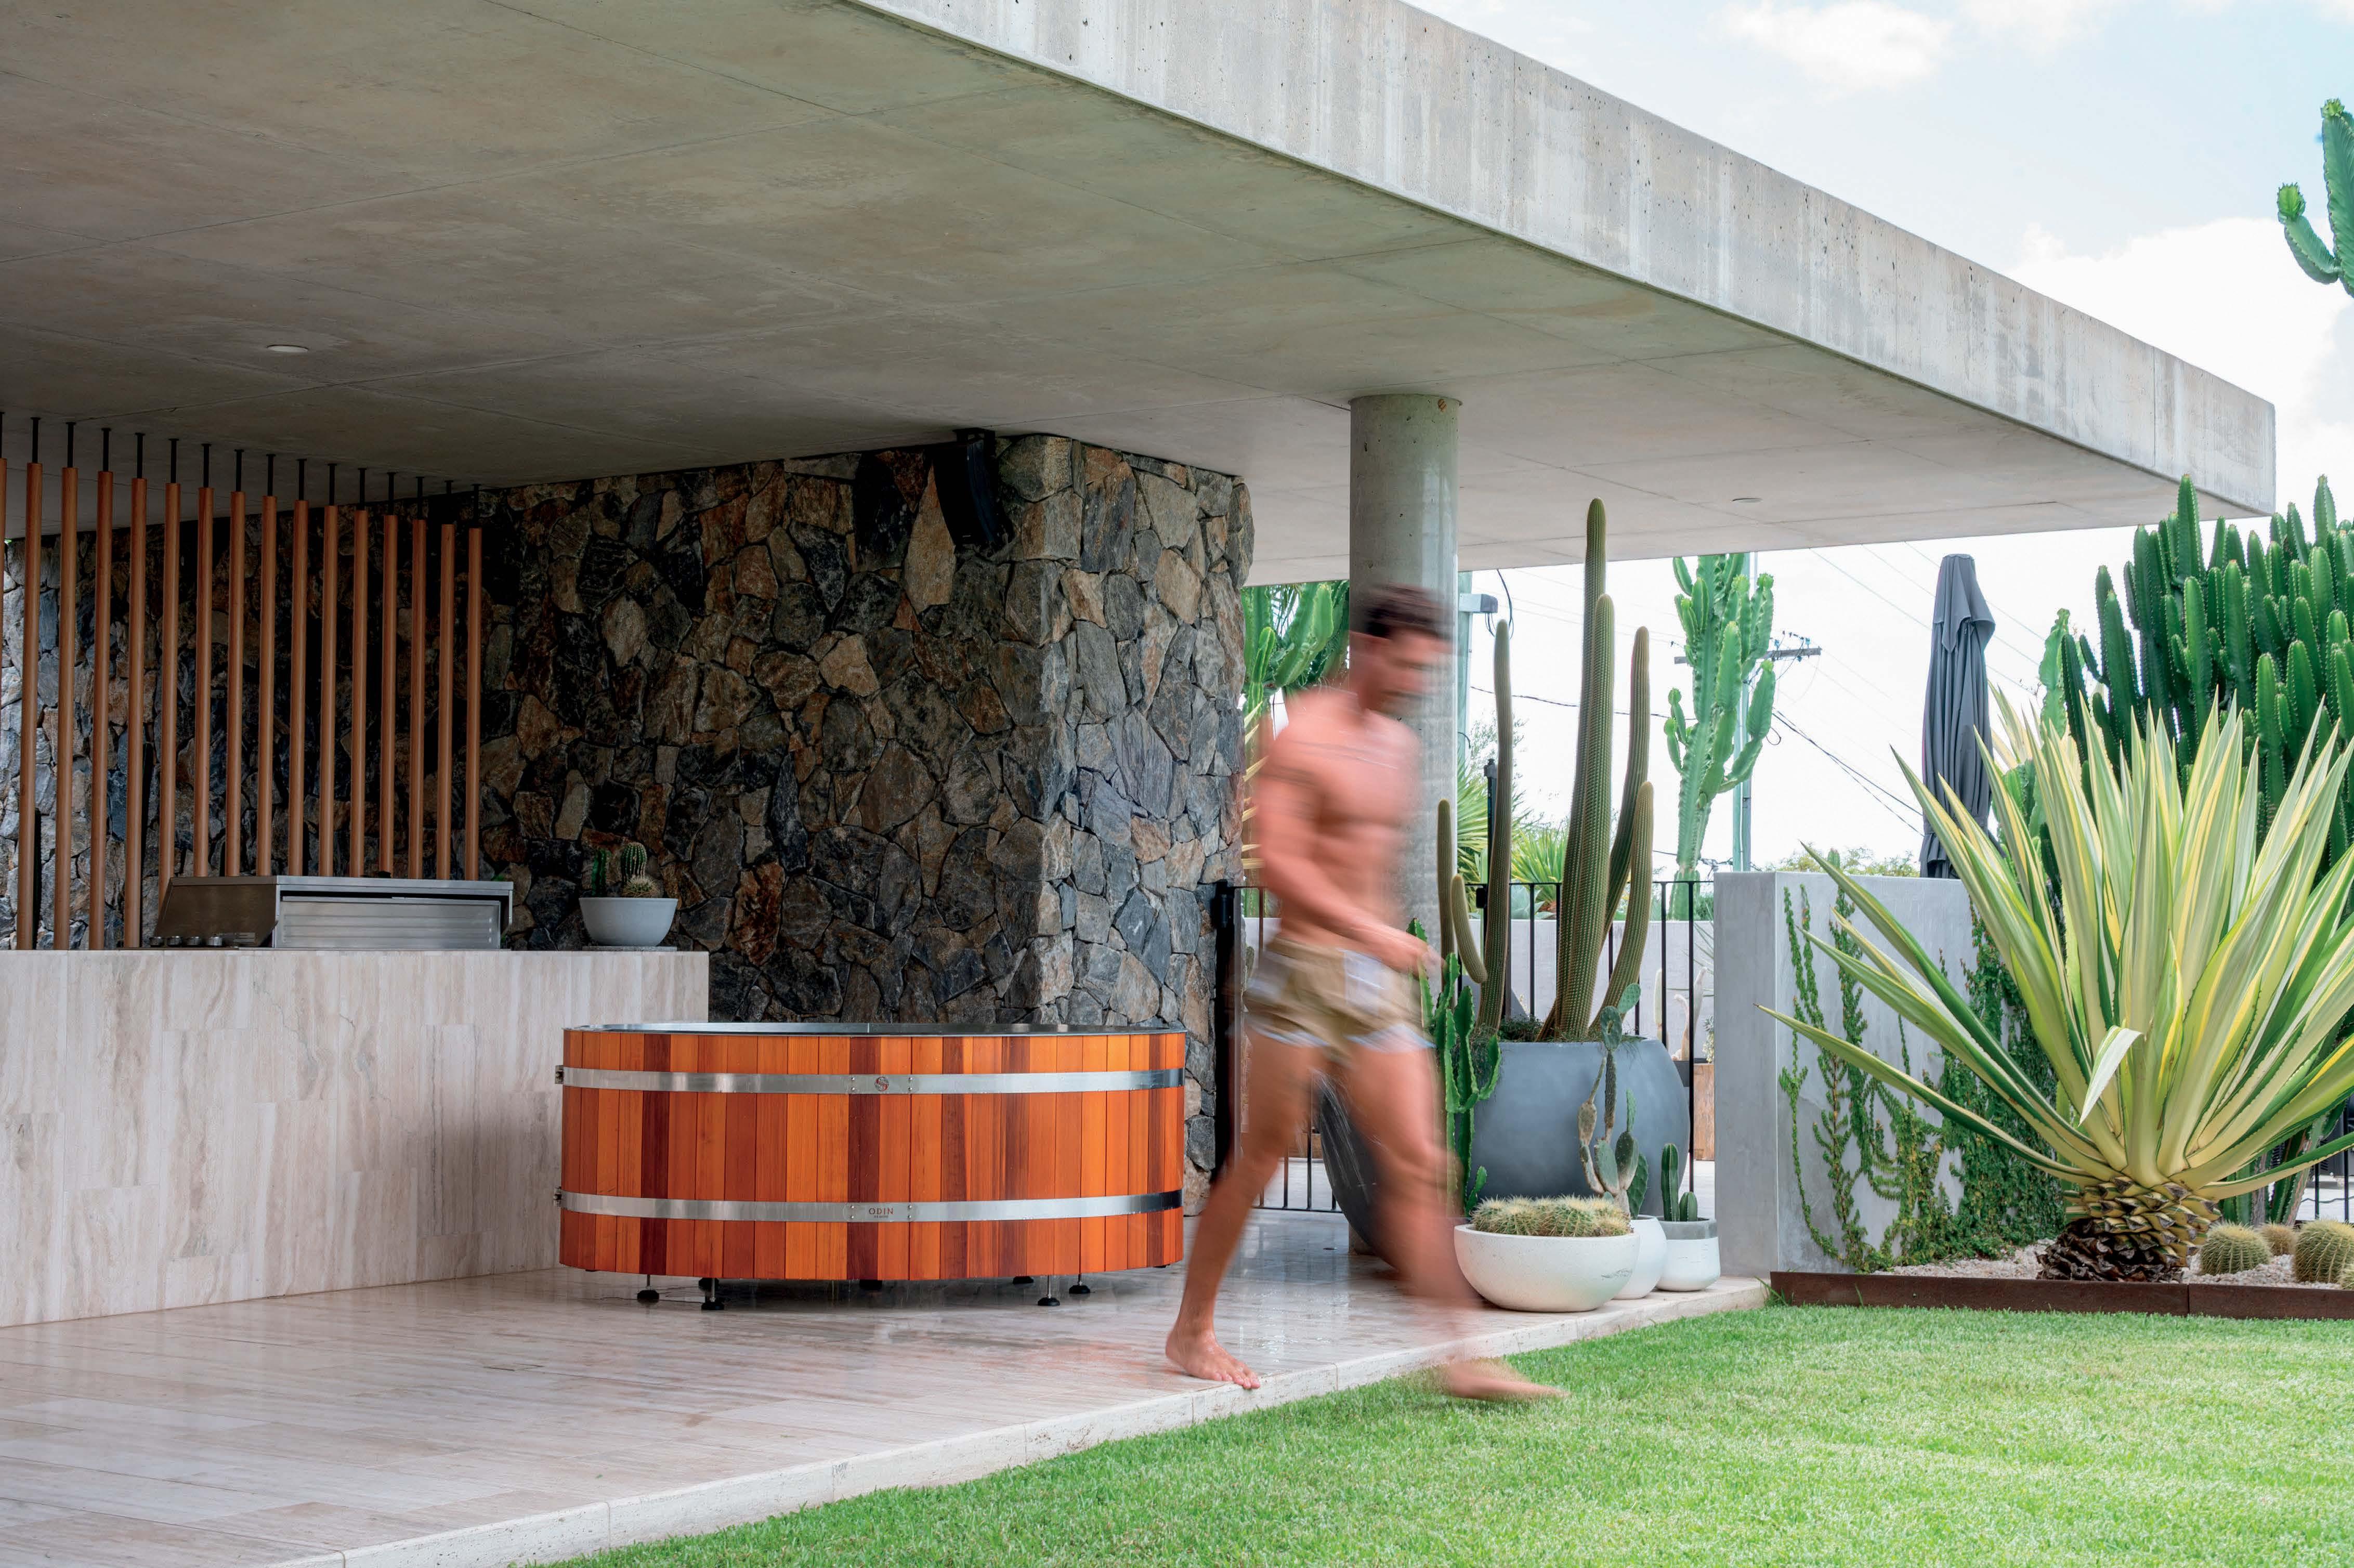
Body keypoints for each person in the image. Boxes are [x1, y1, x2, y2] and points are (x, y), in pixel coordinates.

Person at [1163, 583, 1558, 1402]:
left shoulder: (1398, 747)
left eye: (1427, 671)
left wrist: (1379, 946)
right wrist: (1373, 934)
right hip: (1303, 977)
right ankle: (1190, 1333)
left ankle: (1463, 1358)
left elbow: (1366, 864)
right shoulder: (1306, 733)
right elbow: (1279, 864)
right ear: (1371, 648)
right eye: (1407, 666)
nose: (1414, 684)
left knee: (1422, 1160)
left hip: (1373, 986)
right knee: (1262, 1158)